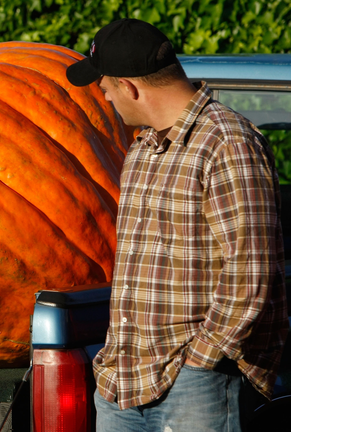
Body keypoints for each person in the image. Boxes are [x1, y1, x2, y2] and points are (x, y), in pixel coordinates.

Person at [66, 19, 289, 432]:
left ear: (130, 88)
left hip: (195, 386)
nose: (108, 100)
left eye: (106, 90)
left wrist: (201, 361)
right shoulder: (143, 150)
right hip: (121, 383)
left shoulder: (228, 142)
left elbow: (251, 272)